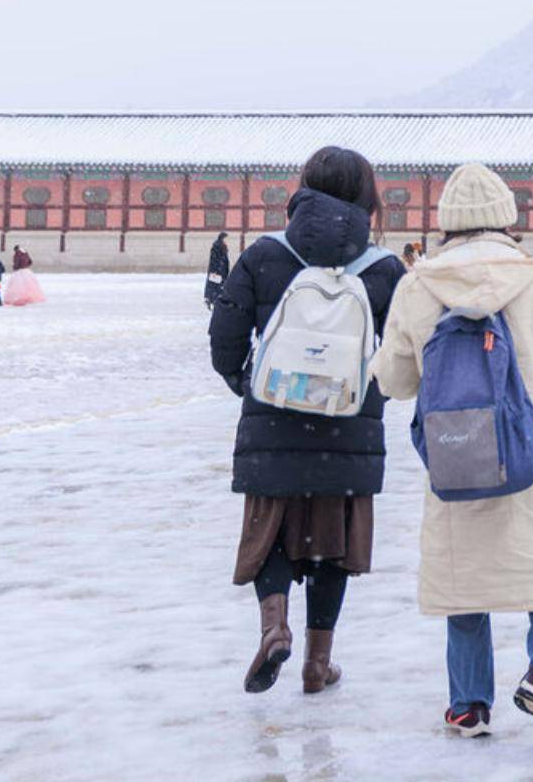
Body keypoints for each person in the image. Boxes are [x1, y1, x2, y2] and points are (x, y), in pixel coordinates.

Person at [371, 161, 533, 739]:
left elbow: (393, 381)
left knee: (462, 573)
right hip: (530, 448)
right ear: (505, 218)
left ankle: (469, 702)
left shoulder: (418, 284)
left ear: (448, 222)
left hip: (456, 449)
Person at [208, 146, 405, 697]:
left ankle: (274, 628)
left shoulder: (265, 254)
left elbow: (225, 333)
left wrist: (246, 383)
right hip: (347, 429)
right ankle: (317, 664)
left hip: (273, 419)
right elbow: (405, 352)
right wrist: (372, 397)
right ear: (368, 197)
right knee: (331, 542)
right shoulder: (385, 267)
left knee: (269, 528)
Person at [206, 232, 232, 309]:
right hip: (218, 270)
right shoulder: (217, 246)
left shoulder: (221, 245)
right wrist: (215, 270)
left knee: (217, 286)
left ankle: (213, 300)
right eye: (226, 238)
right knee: (217, 286)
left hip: (221, 269)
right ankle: (213, 300)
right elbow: (214, 259)